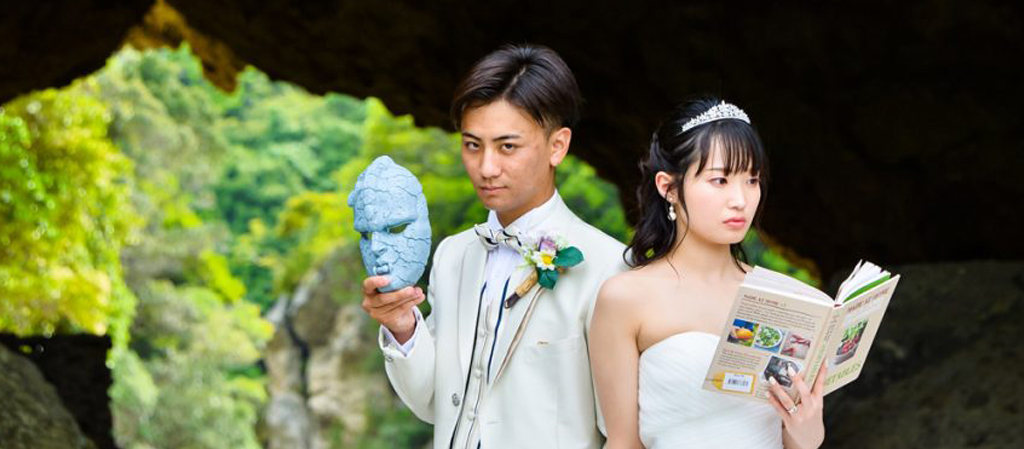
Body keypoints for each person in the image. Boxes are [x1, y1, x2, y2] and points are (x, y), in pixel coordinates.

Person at [360, 44, 626, 448]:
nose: (486, 168)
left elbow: (621, 431)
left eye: (507, 147)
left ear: (558, 146)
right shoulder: (452, 256)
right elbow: (434, 402)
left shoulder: (608, 267)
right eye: (472, 145)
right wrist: (403, 327)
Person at [589, 98, 827, 449]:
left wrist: (807, 429)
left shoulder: (787, 298)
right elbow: (624, 442)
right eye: (720, 180)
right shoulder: (625, 297)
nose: (740, 200)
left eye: (752, 180)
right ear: (668, 187)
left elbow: (799, 442)